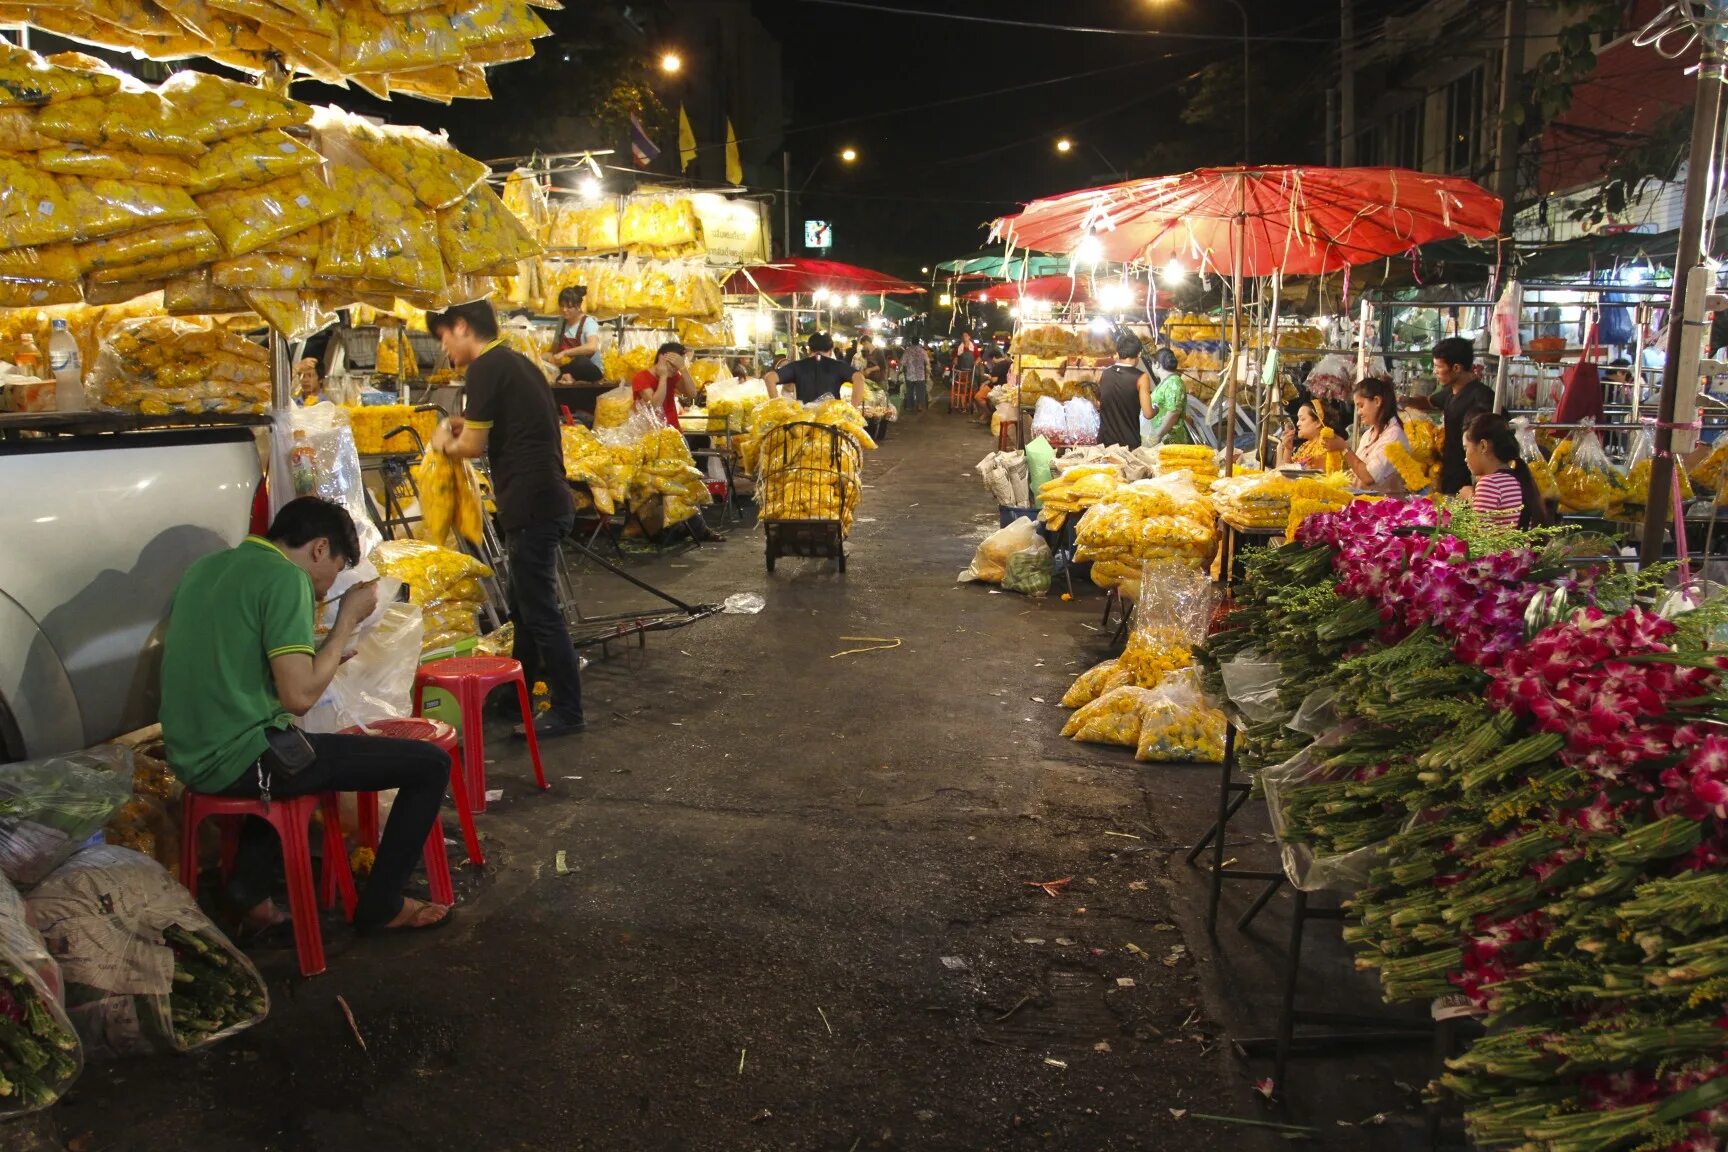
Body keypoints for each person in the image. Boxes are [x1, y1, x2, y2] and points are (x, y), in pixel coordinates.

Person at [159, 497, 453, 935]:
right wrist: (344, 623)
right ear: (319, 548)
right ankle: (383, 905)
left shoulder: (209, 567)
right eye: (335, 569)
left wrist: (317, 655)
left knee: (302, 756)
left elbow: (238, 661)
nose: (327, 586)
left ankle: (247, 893)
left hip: (187, 753)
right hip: (239, 757)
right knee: (430, 765)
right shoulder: (286, 578)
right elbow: (298, 696)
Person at [428, 300, 585, 740]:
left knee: (541, 612)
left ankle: (569, 710)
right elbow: (500, 424)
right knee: (523, 606)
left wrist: (442, 443)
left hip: (534, 504)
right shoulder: (516, 363)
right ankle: (514, 696)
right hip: (544, 499)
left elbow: (473, 445)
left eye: (444, 337)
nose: (444, 349)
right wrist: (464, 425)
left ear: (461, 327)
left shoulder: (485, 367)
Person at [1465, 411, 1554, 529]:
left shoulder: (1489, 484)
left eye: (1466, 448)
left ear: (1483, 446)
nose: (1465, 458)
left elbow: (1477, 539)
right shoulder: (1518, 478)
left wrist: (1469, 500)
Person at [1322, 376, 1411, 494]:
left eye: (1361, 405)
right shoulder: (1368, 434)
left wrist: (1344, 448)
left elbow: (1368, 477)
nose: (1358, 412)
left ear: (1377, 401)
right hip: (1362, 502)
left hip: (1385, 506)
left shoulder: (1394, 435)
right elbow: (1356, 472)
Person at [1431, 336, 1495, 496]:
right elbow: (1429, 401)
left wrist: (1479, 484)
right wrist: (1404, 400)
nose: (1435, 372)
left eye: (1438, 367)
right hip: (1450, 475)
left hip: (1470, 481)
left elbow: (1488, 444)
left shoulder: (1482, 397)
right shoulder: (1450, 392)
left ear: (1456, 368)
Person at [762, 332, 867, 406]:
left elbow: (769, 377)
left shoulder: (798, 366)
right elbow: (859, 378)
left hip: (804, 423)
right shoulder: (838, 366)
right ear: (831, 351)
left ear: (809, 349)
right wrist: (852, 408)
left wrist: (777, 406)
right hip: (832, 421)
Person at [548, 286, 604, 414]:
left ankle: (572, 377)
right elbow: (553, 350)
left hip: (588, 371)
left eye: (569, 307)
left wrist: (565, 352)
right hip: (568, 369)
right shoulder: (561, 322)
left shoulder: (588, 322)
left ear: (578, 306)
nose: (564, 310)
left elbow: (592, 347)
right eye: (562, 306)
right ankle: (569, 378)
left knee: (580, 361)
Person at [1097, 332, 1153, 449]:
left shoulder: (1104, 374)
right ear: (1139, 353)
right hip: (1129, 444)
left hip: (1104, 443)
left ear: (1117, 353)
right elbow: (1148, 413)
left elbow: (1100, 403)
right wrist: (1157, 408)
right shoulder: (1141, 377)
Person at [631, 341, 695, 430]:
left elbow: (692, 394)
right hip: (651, 434)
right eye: (672, 365)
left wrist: (683, 368)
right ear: (661, 358)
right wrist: (663, 376)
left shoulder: (673, 375)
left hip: (673, 431)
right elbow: (655, 405)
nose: (674, 370)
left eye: (677, 367)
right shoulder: (641, 377)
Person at [1276, 397, 1348, 472]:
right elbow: (1287, 473)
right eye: (1298, 419)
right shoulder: (1306, 445)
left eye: (1302, 419)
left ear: (1318, 422)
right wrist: (1288, 449)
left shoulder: (1327, 444)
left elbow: (1310, 475)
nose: (1297, 424)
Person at [1145, 346, 1191, 446]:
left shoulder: (1174, 383)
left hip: (1170, 439)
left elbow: (1173, 412)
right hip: (1161, 438)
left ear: (1156, 364)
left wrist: (1157, 435)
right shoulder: (1166, 382)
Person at [901, 338, 931, 413]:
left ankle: (910, 406)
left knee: (910, 391)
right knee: (920, 391)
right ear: (918, 342)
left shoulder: (907, 351)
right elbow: (927, 362)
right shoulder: (923, 351)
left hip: (910, 375)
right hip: (920, 375)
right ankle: (919, 406)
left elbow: (903, 362)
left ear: (911, 342)